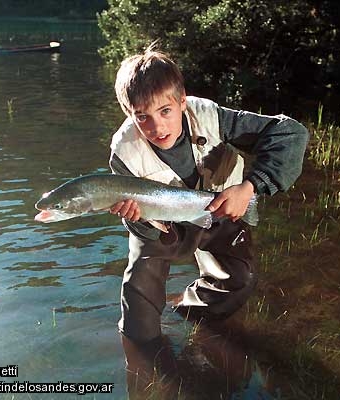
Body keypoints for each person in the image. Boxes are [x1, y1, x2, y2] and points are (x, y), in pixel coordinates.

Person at [107, 45, 308, 394]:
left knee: (239, 280)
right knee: (138, 326)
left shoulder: (212, 115)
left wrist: (250, 187)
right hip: (161, 227)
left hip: (220, 210)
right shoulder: (123, 152)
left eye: (166, 111)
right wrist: (136, 220)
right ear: (129, 114)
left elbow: (291, 133)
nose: (156, 126)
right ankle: (147, 375)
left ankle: (187, 312)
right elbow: (138, 224)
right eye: (142, 117)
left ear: (183, 100)